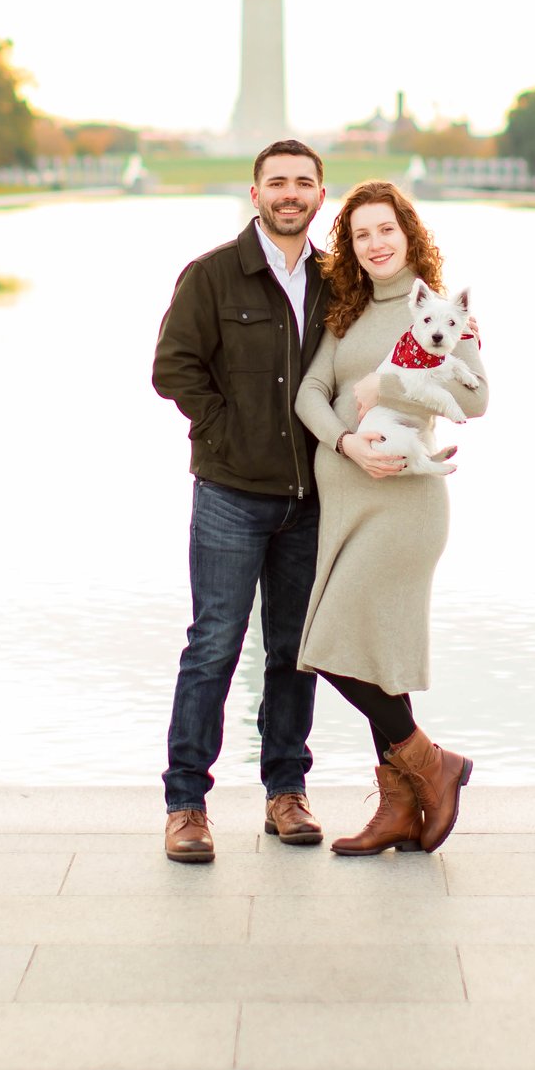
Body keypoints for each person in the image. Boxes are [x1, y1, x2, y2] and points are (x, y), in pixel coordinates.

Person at [149, 140, 333, 862]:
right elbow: (173, 368)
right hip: (230, 493)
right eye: (277, 182)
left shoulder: (334, 280)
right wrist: (225, 432)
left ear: (322, 195)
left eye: (303, 183)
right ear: (255, 193)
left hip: (310, 498)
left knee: (294, 650)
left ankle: (286, 792)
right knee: (215, 645)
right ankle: (187, 803)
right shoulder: (212, 276)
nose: (290, 193)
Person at [294, 181, 488, 854]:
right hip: (348, 501)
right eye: (362, 233)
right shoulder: (343, 311)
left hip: (405, 506)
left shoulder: (439, 310)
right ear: (350, 245)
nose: (376, 243)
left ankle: (431, 762)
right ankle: (400, 807)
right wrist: (344, 440)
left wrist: (388, 386)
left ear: (409, 233)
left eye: (387, 229)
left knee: (332, 643)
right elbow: (310, 393)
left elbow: (480, 395)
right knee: (373, 656)